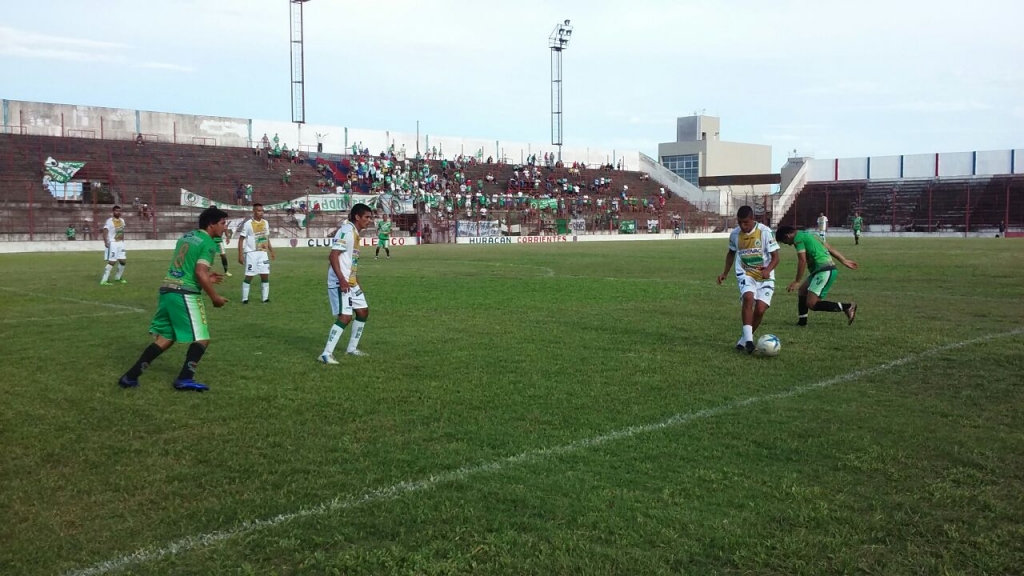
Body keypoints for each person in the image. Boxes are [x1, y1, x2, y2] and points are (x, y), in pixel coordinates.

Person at [118, 207, 230, 391]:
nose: (225, 227)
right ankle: (185, 378)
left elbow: (188, 267)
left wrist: (206, 278)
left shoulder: (187, 237)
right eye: (223, 223)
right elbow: (200, 272)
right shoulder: (209, 243)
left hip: (167, 290)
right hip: (184, 293)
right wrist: (215, 297)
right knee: (202, 338)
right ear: (211, 224)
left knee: (165, 338)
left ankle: (131, 376)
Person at [717, 206, 780, 353]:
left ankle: (743, 340)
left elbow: (776, 257)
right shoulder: (735, 234)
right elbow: (731, 253)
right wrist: (725, 273)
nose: (742, 226)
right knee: (748, 298)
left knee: (760, 309)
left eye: (746, 222)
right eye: (740, 222)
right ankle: (750, 342)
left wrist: (768, 270)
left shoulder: (765, 232)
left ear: (753, 219)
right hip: (746, 273)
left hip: (765, 276)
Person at [320, 203, 375, 364]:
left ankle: (352, 349)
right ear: (357, 217)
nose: (369, 220)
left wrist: (355, 280)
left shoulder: (355, 233)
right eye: (366, 217)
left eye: (370, 217)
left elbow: (349, 261)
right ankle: (326, 354)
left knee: (363, 311)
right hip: (340, 281)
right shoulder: (346, 231)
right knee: (345, 317)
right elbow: (333, 256)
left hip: (350, 281)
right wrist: (342, 280)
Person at [775, 226, 858, 327]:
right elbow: (829, 248)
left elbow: (802, 260)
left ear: (787, 236)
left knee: (812, 304)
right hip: (821, 270)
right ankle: (802, 322)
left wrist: (797, 281)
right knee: (802, 290)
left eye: (786, 242)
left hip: (824, 271)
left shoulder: (797, 239)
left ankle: (847, 307)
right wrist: (843, 260)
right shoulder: (811, 234)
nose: (789, 244)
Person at [237, 204, 275, 303]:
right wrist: (240, 254)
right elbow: (241, 239)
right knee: (249, 275)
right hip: (251, 253)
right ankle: (245, 299)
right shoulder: (248, 224)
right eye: (259, 210)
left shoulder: (265, 223)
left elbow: (266, 237)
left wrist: (271, 251)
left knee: (265, 275)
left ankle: (265, 298)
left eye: (262, 210)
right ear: (254, 211)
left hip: (263, 253)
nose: (261, 212)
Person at [100, 205, 128, 285]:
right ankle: (104, 280)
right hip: (113, 243)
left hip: (120, 243)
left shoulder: (122, 220)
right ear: (113, 212)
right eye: (116, 211)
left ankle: (118, 278)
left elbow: (122, 231)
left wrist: (122, 240)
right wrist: (106, 241)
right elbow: (105, 231)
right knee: (112, 261)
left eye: (119, 211)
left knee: (123, 261)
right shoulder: (109, 221)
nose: (118, 212)